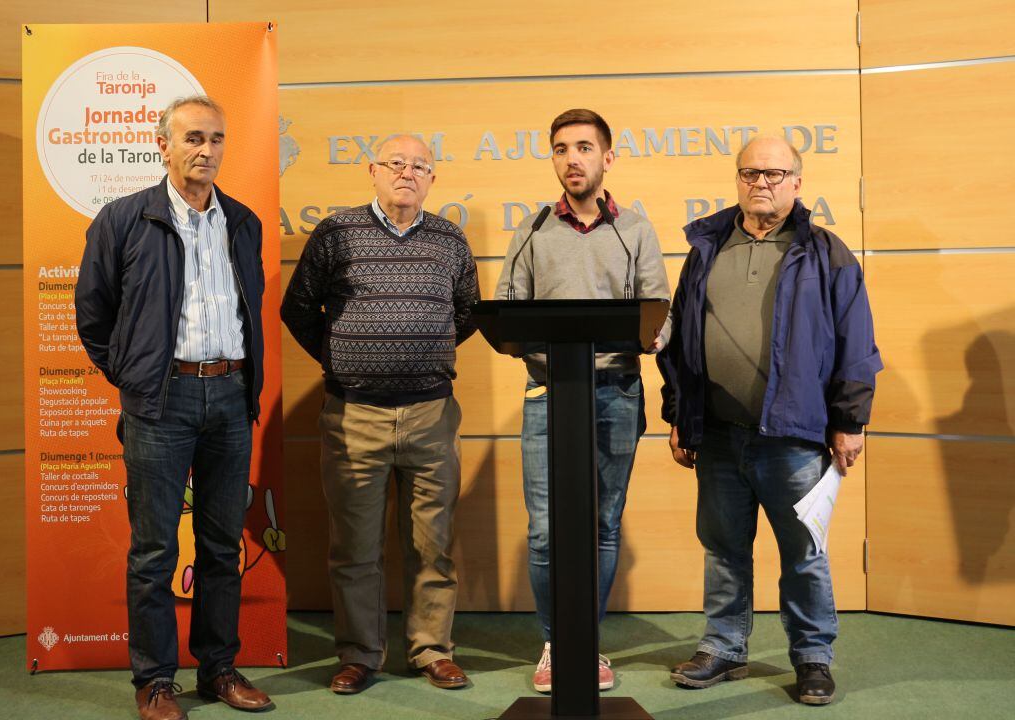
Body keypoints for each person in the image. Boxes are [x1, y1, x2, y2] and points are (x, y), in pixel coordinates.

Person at [658, 135, 882, 705]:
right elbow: (681, 337)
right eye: (752, 174)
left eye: (776, 174)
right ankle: (724, 648)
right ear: (738, 179)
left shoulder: (825, 252)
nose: (763, 183)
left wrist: (850, 422)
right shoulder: (706, 247)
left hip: (795, 436)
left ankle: (812, 657)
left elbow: (856, 343)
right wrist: (680, 414)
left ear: (798, 182)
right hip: (719, 433)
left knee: (803, 552)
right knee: (724, 547)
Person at [76, 95, 271, 720]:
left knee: (220, 547)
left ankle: (218, 670)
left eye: (215, 138)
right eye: (192, 137)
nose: (205, 149)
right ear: (163, 144)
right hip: (162, 400)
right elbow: (94, 314)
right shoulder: (124, 219)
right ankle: (156, 681)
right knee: (155, 549)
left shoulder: (242, 221)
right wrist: (136, 376)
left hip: (231, 395)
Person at [281, 134, 479, 695]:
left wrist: (417, 352)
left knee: (432, 543)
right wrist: (343, 354)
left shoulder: (449, 239)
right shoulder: (336, 233)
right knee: (355, 548)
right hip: (354, 415)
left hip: (431, 414)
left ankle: (432, 650)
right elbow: (298, 309)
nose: (407, 173)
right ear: (372, 171)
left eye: (420, 166)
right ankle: (360, 656)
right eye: (396, 163)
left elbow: (464, 314)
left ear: (432, 179)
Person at [493, 109, 671, 694]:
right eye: (562, 149)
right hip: (549, 393)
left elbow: (659, 322)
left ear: (607, 158)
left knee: (601, 525)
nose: (573, 159)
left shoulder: (636, 230)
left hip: (616, 391)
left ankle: (586, 645)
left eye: (585, 148)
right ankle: (556, 644)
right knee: (545, 530)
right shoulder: (533, 229)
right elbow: (507, 312)